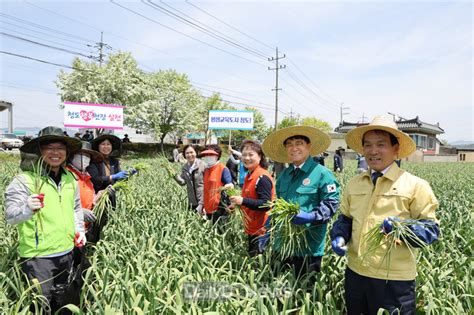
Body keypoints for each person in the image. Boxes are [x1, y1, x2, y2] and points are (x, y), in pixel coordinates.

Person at [330, 115, 440, 314]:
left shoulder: (415, 186)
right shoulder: (355, 183)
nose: (373, 151)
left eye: (381, 144)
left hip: (394, 280)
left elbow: (431, 231)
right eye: (368, 145)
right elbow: (345, 219)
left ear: (396, 149)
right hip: (355, 273)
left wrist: (402, 229)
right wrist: (339, 235)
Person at [4, 126, 85, 312]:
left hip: (66, 252)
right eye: (49, 147)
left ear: (67, 152)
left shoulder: (70, 179)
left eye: (60, 148)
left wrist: (79, 230)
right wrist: (27, 208)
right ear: (39, 151)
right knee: (39, 306)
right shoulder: (24, 180)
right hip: (38, 258)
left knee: (61, 301)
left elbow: (76, 208)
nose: (55, 152)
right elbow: (10, 217)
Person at [262, 125, 340, 278]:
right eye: (289, 144)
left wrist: (311, 216)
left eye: (299, 143)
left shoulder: (322, 174)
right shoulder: (284, 175)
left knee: (303, 295)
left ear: (308, 146)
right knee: (277, 291)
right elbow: (278, 204)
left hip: (308, 248)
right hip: (281, 245)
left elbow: (331, 204)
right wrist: (268, 229)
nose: (294, 148)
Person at [229, 140, 275, 257]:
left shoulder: (262, 177)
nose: (246, 158)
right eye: (244, 155)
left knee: (257, 263)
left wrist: (243, 201)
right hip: (252, 225)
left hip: (261, 230)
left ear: (260, 156)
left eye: (251, 155)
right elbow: (249, 197)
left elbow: (266, 204)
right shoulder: (250, 175)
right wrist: (236, 204)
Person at [87, 134, 129, 242]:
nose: (106, 147)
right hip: (98, 197)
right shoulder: (93, 161)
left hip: (111, 196)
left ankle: (106, 244)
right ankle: (93, 246)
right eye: (103, 144)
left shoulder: (114, 161)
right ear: (98, 147)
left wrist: (126, 175)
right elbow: (95, 179)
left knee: (108, 221)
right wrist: (112, 177)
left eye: (108, 144)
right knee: (96, 223)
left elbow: (119, 178)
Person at [66, 141, 103, 240]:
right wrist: (79, 212)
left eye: (87, 155)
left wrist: (99, 196)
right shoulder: (66, 176)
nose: (83, 158)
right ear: (72, 156)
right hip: (68, 231)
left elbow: (90, 199)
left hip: (84, 230)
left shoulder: (87, 179)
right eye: (79, 154)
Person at [201, 144, 234, 227]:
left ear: (217, 155)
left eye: (211, 154)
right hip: (208, 207)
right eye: (206, 155)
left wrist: (227, 187)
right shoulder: (206, 170)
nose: (208, 157)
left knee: (219, 231)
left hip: (219, 208)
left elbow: (229, 185)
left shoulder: (223, 169)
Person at [171, 144, 205, 213]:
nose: (189, 155)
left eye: (191, 152)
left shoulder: (203, 165)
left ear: (196, 152)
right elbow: (183, 182)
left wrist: (202, 202)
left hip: (203, 200)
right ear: (184, 155)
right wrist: (174, 175)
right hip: (192, 201)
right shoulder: (185, 167)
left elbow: (209, 184)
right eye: (187, 153)